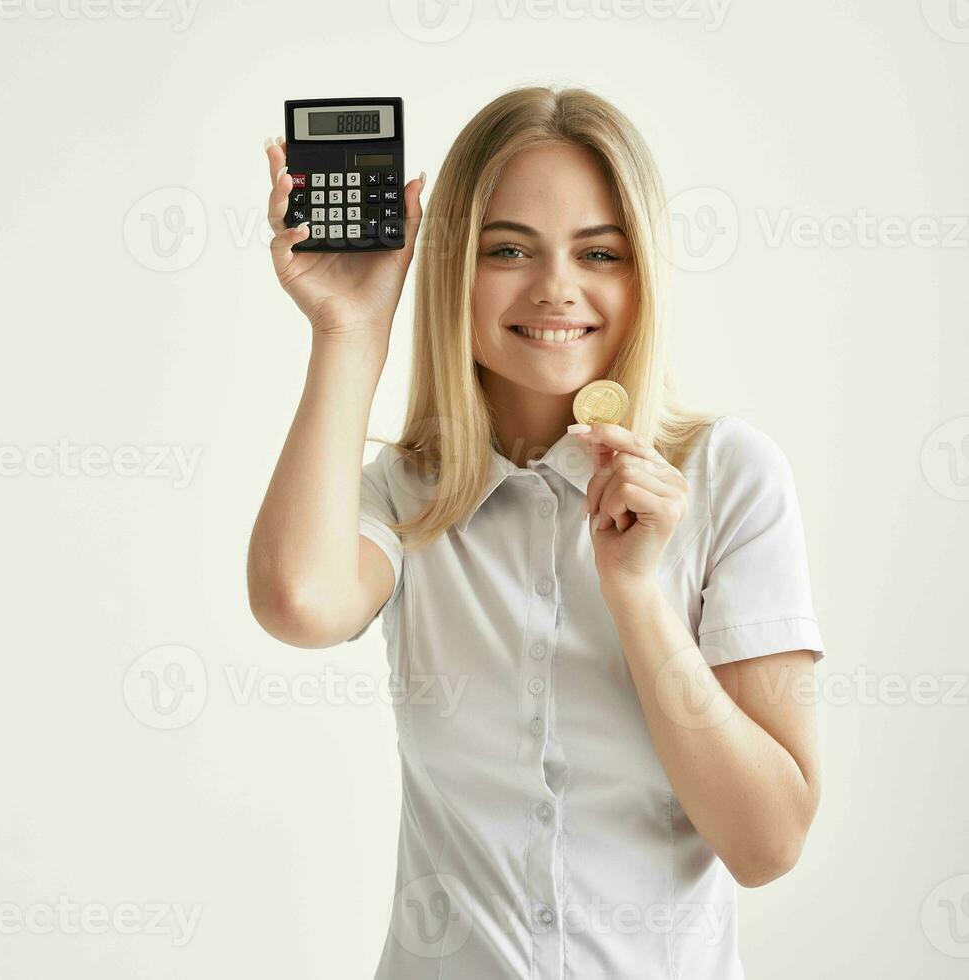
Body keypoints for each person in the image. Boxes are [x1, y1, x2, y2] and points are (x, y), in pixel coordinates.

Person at [246, 86, 825, 979]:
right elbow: (297, 601)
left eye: (599, 252)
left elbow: (766, 843)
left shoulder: (730, 478)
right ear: (454, 271)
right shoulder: (404, 495)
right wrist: (350, 328)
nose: (557, 288)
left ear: (643, 276)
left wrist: (634, 592)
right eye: (508, 249)